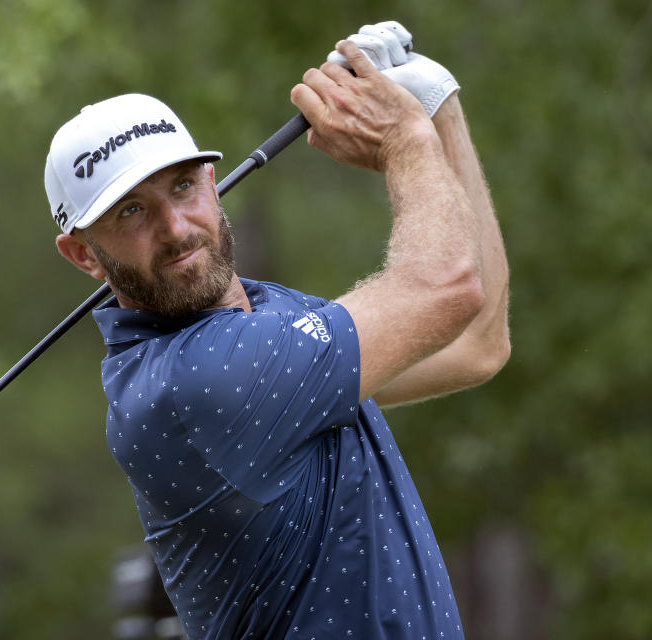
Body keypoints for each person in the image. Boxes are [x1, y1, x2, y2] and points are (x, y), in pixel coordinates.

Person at [44, 21, 509, 640]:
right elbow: (447, 288)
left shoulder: (267, 320)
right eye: (132, 212)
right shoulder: (193, 383)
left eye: (182, 186)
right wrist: (405, 141)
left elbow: (476, 342)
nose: (177, 227)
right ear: (83, 255)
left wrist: (435, 110)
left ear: (212, 181)